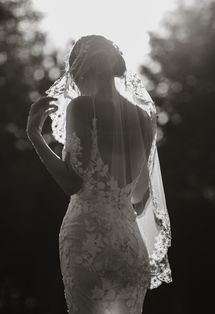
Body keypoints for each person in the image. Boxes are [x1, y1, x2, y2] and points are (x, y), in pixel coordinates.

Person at [26, 34, 172, 314]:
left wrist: (35, 136)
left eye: (75, 75)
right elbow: (140, 200)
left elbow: (71, 182)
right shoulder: (143, 118)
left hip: (86, 238)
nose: (74, 84)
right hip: (130, 244)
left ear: (87, 69)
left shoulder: (82, 107)